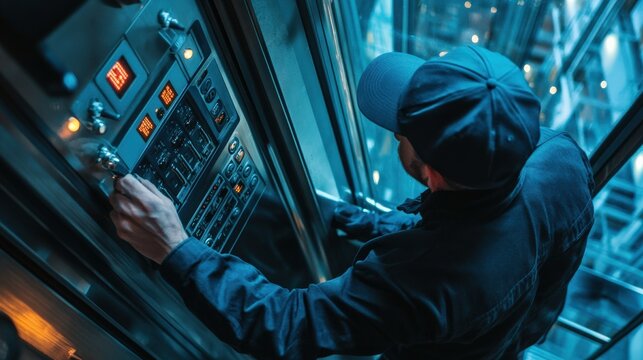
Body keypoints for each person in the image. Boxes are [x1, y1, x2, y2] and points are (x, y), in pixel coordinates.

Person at [109, 45, 594, 359]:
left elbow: (286, 325)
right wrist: (352, 219)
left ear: (433, 171)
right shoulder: (563, 159)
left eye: (401, 131)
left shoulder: (427, 281)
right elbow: (480, 231)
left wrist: (174, 248)